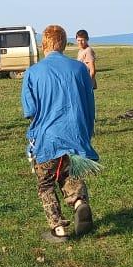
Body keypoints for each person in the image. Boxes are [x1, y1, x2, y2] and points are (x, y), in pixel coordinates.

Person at [21, 24, 98, 241]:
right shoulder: (80, 69)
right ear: (64, 44)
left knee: (45, 183)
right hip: (77, 134)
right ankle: (79, 201)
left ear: (43, 44)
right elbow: (90, 102)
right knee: (68, 173)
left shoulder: (33, 72)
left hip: (48, 138)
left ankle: (58, 227)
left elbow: (30, 111)